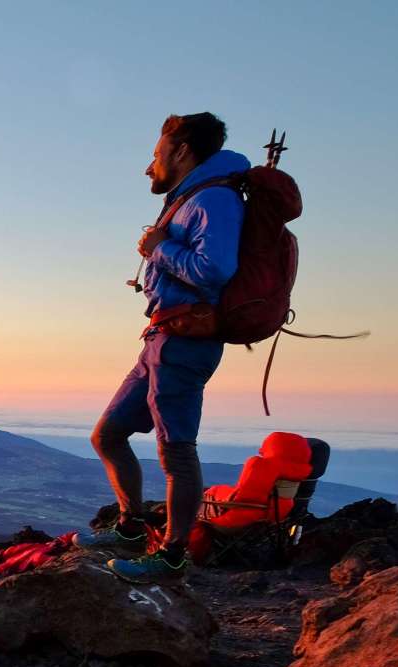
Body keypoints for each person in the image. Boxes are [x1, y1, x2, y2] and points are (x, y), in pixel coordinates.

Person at [77, 113, 250, 582]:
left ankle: (172, 555)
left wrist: (157, 248)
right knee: (107, 435)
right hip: (161, 338)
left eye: (156, 154)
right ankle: (132, 527)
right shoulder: (191, 198)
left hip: (185, 342)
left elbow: (215, 270)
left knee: (176, 451)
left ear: (181, 150)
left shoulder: (214, 198)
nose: (148, 166)